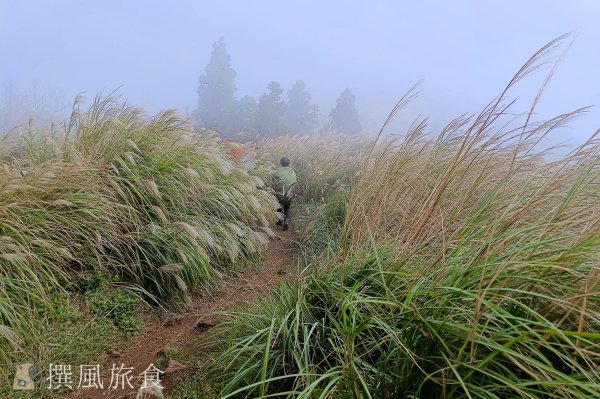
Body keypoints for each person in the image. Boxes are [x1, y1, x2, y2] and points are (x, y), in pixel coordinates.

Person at [272, 157, 297, 231]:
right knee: (287, 208)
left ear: (280, 163)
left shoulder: (276, 171)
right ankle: (286, 222)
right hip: (288, 194)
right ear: (289, 163)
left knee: (279, 207)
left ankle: (279, 221)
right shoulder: (292, 171)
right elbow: (294, 183)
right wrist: (294, 193)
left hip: (279, 194)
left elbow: (273, 183)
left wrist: (273, 191)